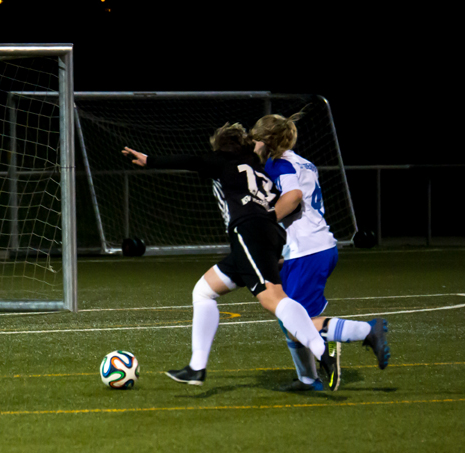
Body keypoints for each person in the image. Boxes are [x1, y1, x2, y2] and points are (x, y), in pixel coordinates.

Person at [123, 123, 335, 387]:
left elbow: (192, 160)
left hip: (249, 232)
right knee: (203, 291)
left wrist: (150, 159)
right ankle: (196, 368)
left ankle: (322, 351)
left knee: (272, 298)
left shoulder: (226, 160)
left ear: (221, 147)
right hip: (264, 233)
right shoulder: (253, 162)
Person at [250, 112, 390, 391]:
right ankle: (307, 379)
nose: (252, 147)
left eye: (254, 140)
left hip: (308, 251)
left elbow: (293, 197)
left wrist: (262, 223)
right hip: (309, 248)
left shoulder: (279, 164)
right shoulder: (303, 162)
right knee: (288, 316)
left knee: (299, 322)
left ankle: (367, 331)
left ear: (266, 140)